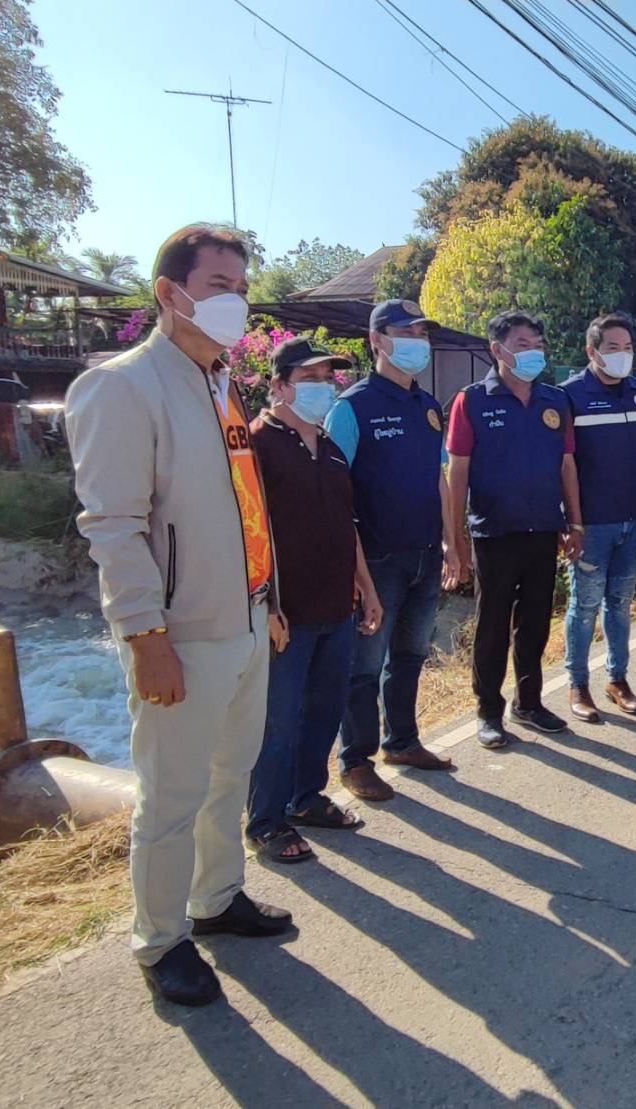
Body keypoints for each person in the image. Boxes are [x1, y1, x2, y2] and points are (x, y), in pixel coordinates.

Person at [65, 224, 291, 1007]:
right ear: (170, 293)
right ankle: (160, 938)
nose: (237, 302)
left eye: (243, 289)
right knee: (170, 796)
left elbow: (246, 508)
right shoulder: (122, 387)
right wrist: (145, 636)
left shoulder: (221, 384)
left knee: (230, 776)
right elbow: (114, 527)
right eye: (220, 285)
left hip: (247, 619)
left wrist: (270, 601)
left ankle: (216, 896)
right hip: (181, 635)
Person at [245, 338, 383, 863]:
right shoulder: (257, 445)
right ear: (279, 386)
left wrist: (366, 588)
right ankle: (266, 821)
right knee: (278, 721)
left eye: (329, 379)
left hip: (336, 606)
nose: (324, 388)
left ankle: (306, 798)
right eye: (310, 379)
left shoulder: (329, 447)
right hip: (286, 613)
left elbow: (347, 526)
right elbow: (248, 534)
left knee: (323, 711)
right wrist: (266, 605)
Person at [326, 299, 461, 801]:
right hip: (377, 560)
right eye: (406, 333)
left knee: (410, 654)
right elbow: (333, 494)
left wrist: (451, 541)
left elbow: (439, 477)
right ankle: (355, 761)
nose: (418, 343)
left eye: (422, 334)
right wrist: (355, 571)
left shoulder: (427, 406)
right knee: (363, 666)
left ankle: (401, 741)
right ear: (377, 340)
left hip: (425, 554)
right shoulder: (352, 407)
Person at [446, 311, 580, 749]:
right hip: (494, 533)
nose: (534, 353)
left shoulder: (555, 401)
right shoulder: (472, 401)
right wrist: (455, 537)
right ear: (497, 350)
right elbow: (457, 471)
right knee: (492, 626)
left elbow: (566, 465)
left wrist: (574, 521)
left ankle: (529, 702)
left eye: (538, 345)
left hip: (544, 530)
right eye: (523, 344)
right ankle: (489, 710)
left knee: (536, 622)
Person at [560, 312, 636, 723]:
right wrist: (571, 522)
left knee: (619, 604)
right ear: (591, 351)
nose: (622, 355)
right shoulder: (569, 395)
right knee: (584, 606)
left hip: (632, 522)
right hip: (590, 526)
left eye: (627, 347)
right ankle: (578, 684)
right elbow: (563, 465)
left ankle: (617, 679)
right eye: (613, 347)